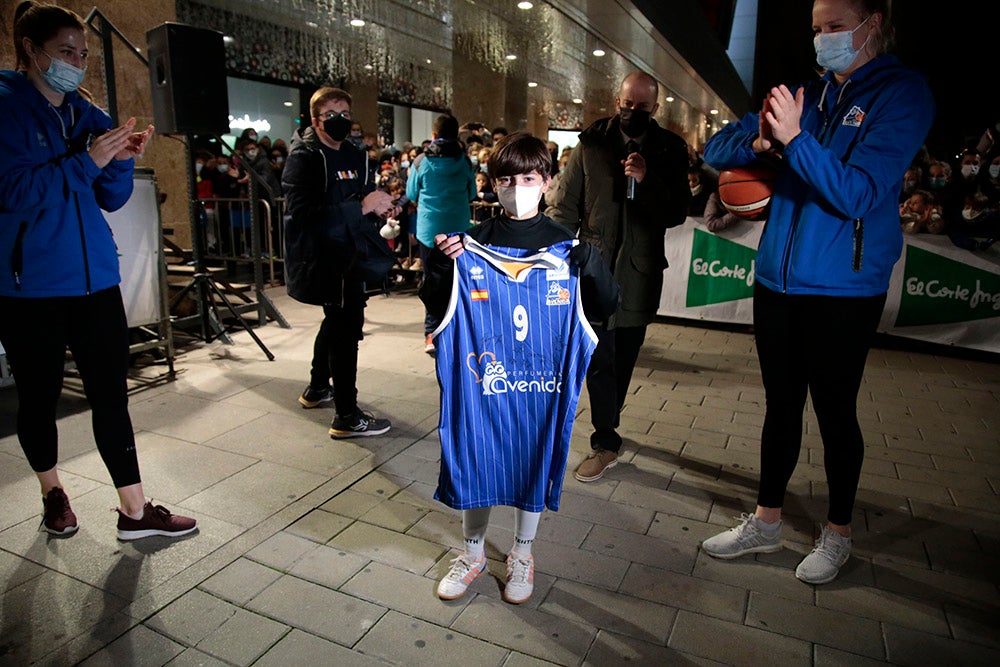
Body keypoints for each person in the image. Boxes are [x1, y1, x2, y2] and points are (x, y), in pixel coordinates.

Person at [699, 0, 934, 585]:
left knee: (835, 412)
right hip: (777, 281)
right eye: (816, 29)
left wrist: (797, 140)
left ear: (872, 24)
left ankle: (838, 532)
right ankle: (766, 522)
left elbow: (858, 193)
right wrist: (762, 144)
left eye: (835, 27)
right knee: (781, 406)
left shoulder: (902, 95)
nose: (823, 39)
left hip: (843, 289)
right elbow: (715, 149)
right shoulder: (811, 93)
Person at [0, 1, 198, 540]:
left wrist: (120, 160)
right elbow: (12, 192)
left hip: (95, 282)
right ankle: (52, 492)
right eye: (66, 51)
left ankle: (134, 511)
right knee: (38, 398)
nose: (77, 63)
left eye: (84, 54)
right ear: (30, 49)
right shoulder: (6, 105)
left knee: (112, 395)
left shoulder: (87, 114)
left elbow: (110, 198)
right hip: (29, 287)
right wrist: (87, 161)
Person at [420, 132, 618, 604]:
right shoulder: (469, 245)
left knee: (533, 465)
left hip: (540, 393)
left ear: (547, 182)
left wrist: (593, 267)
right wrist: (441, 268)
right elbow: (435, 305)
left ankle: (523, 553)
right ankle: (473, 554)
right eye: (506, 179)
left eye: (528, 178)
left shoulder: (568, 248)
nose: (517, 188)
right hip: (480, 392)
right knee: (476, 462)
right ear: (493, 184)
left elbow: (607, 306)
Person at [547, 70, 691, 482]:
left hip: (639, 274)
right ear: (617, 102)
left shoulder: (669, 149)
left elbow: (676, 212)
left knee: (623, 357)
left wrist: (646, 181)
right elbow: (565, 206)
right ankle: (606, 441)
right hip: (594, 269)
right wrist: (552, 257)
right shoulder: (592, 143)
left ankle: (608, 424)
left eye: (642, 107)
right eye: (627, 104)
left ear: (654, 108)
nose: (632, 111)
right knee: (597, 357)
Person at [282, 86, 397, 437]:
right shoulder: (304, 157)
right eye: (331, 115)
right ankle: (346, 415)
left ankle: (318, 387)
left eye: (345, 115)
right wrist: (360, 207)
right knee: (345, 329)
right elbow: (302, 216)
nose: (340, 121)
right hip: (323, 257)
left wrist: (378, 208)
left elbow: (360, 196)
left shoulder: (354, 153)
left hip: (351, 252)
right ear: (315, 120)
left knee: (338, 321)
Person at [405, 114, 477, 354]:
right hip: (459, 230)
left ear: (434, 135)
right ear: (456, 134)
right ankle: (457, 332)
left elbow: (411, 193)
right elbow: (472, 193)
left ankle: (431, 333)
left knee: (431, 281)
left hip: (429, 232)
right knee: (458, 281)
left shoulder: (421, 162)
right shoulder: (464, 162)